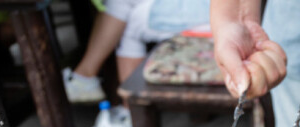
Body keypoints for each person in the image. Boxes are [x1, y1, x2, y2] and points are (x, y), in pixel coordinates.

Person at [64, 0, 211, 103]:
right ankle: (85, 78)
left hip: (211, 11)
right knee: (119, 6)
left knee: (128, 20)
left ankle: (131, 115)